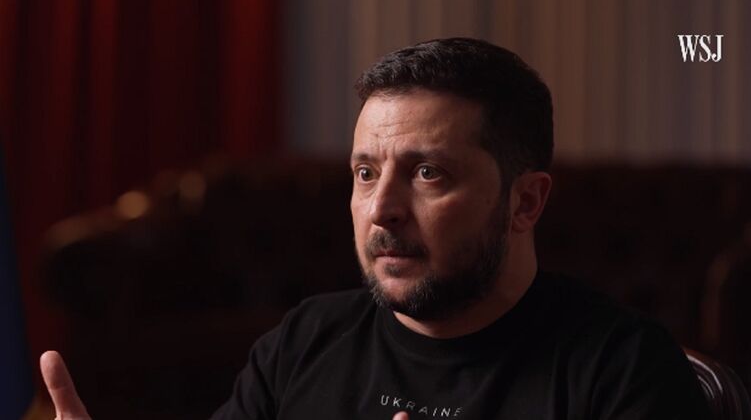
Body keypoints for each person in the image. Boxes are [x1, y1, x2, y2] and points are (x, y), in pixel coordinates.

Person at [40, 38, 710, 419]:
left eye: (428, 174)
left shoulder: (621, 372)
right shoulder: (303, 343)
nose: (381, 207)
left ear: (525, 202)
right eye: (365, 172)